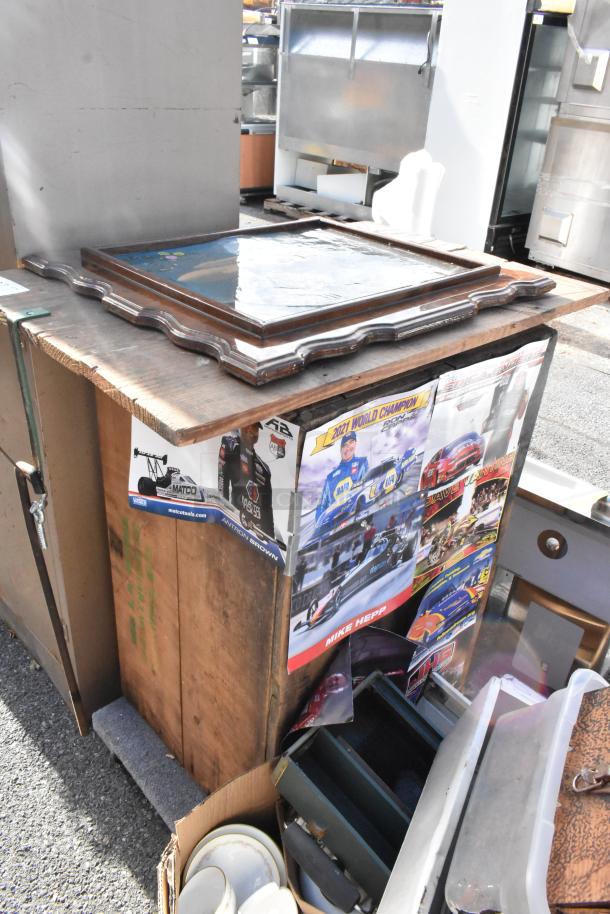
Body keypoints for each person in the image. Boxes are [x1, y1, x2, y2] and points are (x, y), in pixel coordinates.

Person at [218, 422, 274, 537]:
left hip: (256, 531)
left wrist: (269, 538)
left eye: (255, 428)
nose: (252, 431)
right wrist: (224, 511)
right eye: (247, 427)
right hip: (236, 519)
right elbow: (222, 479)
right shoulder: (230, 445)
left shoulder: (264, 469)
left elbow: (267, 508)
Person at [315, 432, 369, 522]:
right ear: (340, 449)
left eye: (351, 442)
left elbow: (367, 487)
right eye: (344, 445)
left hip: (357, 518)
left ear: (355, 444)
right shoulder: (330, 478)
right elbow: (322, 505)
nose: (347, 448)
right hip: (335, 526)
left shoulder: (362, 463)